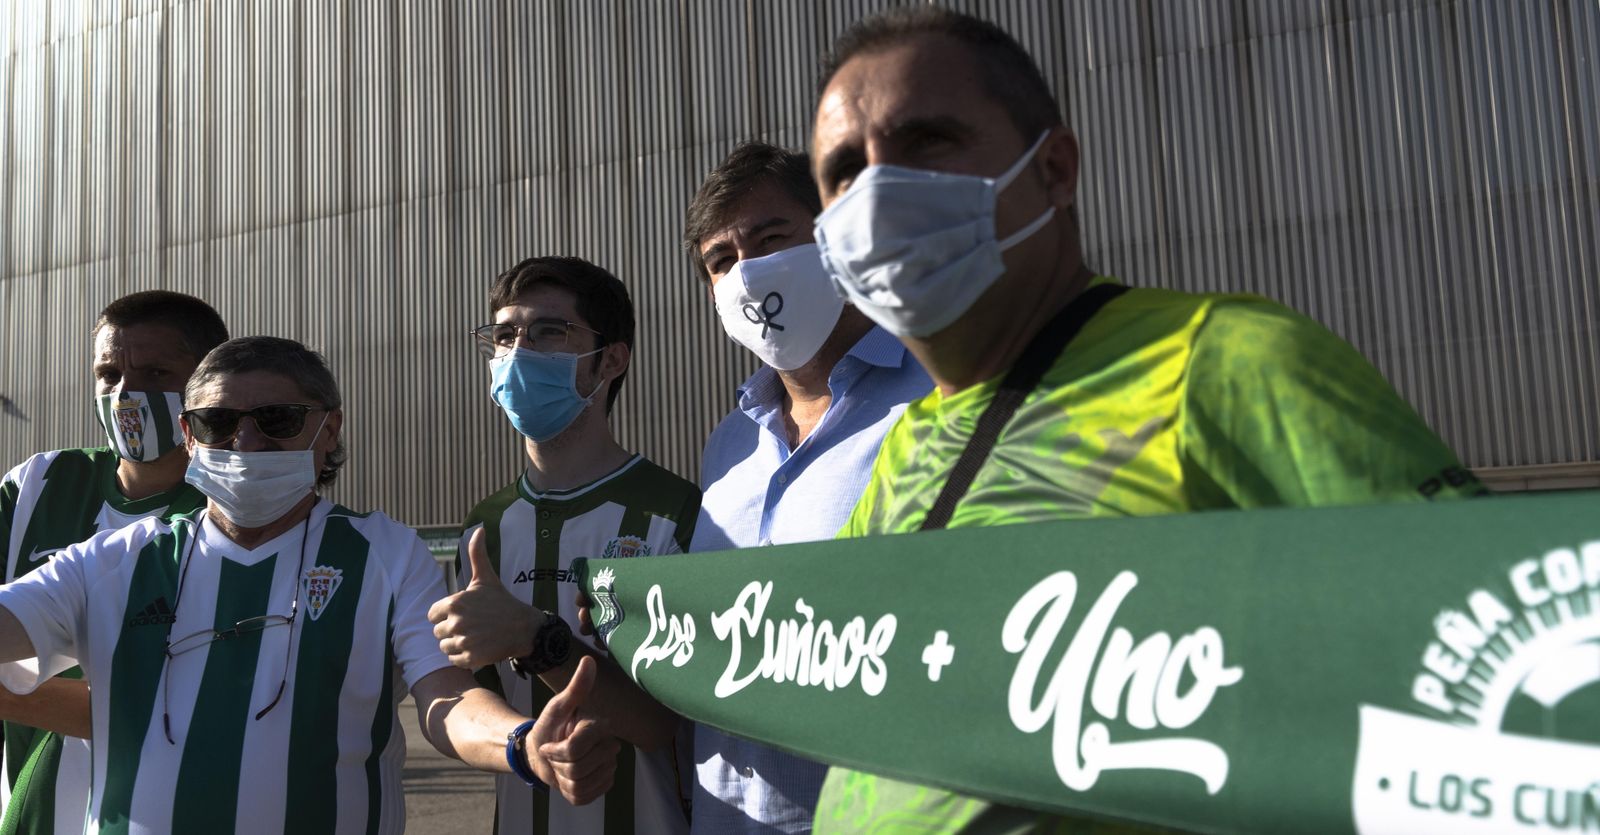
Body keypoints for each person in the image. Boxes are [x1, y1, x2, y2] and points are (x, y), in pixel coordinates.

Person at [804, 7, 1489, 833]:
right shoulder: (909, 445)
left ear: (1055, 169)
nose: (877, 192)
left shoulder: (1224, 362)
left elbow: (1478, 649)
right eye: (844, 171)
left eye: (926, 143)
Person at [0, 336, 616, 833]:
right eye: (216, 423)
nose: (244, 442)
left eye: (276, 420)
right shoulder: (111, 559)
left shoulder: (384, 551)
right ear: (189, 438)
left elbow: (444, 697)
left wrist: (519, 743)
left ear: (329, 432)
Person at [681, 142, 931, 832]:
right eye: (721, 260)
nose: (749, 272)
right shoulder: (730, 446)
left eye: (771, 238)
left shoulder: (936, 405)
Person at [428, 256, 700, 834]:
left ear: (611, 359)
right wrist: (526, 745)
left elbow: (665, 723)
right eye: (505, 335)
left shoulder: (678, 513)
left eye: (549, 331)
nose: (519, 350)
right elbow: (466, 706)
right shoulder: (487, 526)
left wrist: (535, 638)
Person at [0, 291, 226, 835]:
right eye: (108, 372)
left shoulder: (236, 516)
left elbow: (174, 707)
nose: (126, 392)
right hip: (28, 813)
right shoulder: (36, 484)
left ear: (207, 382)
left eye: (155, 372)